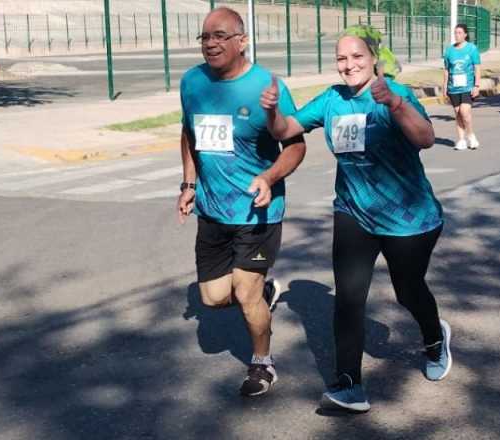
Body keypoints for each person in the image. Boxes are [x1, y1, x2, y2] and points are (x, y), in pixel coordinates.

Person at [261, 25, 450, 414]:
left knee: (408, 290)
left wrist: (395, 105)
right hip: (354, 212)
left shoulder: (394, 93)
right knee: (348, 297)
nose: (349, 65)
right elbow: (287, 129)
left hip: (408, 216)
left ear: (374, 59)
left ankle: (435, 339)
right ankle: (349, 385)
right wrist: (272, 111)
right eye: (341, 59)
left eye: (357, 57)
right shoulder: (332, 99)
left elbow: (426, 138)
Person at [177, 6, 307, 397]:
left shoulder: (266, 86)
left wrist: (269, 177)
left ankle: (262, 363)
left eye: (220, 36)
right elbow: (189, 132)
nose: (210, 43)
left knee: (245, 294)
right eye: (205, 37)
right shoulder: (192, 81)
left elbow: (296, 145)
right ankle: (265, 295)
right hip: (212, 210)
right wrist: (188, 183)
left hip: (258, 210)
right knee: (214, 298)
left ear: (242, 41)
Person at [442, 24, 482, 151]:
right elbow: (446, 70)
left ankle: (470, 135)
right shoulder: (449, 50)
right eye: (455, 33)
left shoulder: (472, 49)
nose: (457, 35)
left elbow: (477, 68)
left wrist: (477, 85)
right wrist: (444, 86)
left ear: (465, 34)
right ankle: (461, 140)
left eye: (459, 33)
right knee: (457, 113)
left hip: (467, 87)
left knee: (464, 111)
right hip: (453, 87)